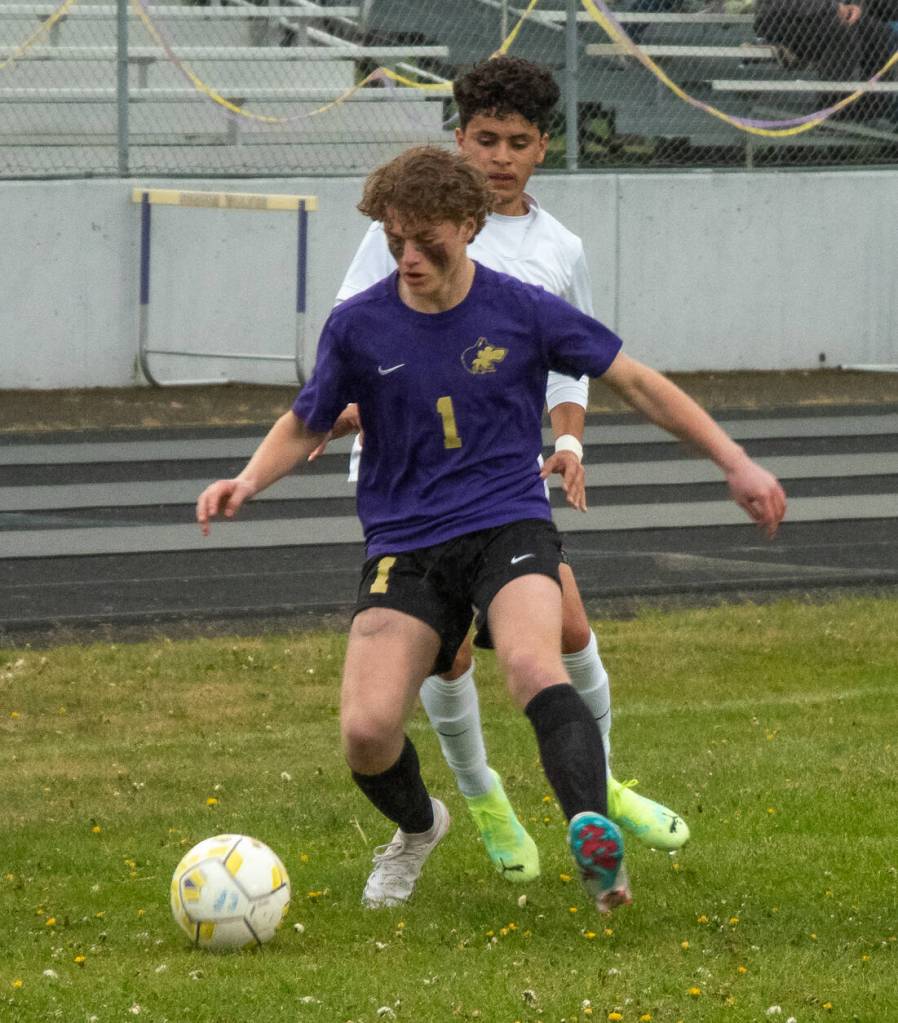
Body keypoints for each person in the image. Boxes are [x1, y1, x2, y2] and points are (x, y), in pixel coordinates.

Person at [196, 146, 787, 916]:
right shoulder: (358, 326)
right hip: (405, 542)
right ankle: (420, 826)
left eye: (427, 240)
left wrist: (736, 462)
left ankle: (591, 833)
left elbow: (637, 382)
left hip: (506, 519)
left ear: (471, 226)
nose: (409, 257)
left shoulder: (523, 308)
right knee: (367, 731)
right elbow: (304, 419)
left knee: (533, 662)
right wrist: (245, 478)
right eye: (393, 239)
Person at [312, 56, 691, 890]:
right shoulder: (414, 223)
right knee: (444, 660)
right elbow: (357, 338)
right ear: (461, 138)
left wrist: (571, 442)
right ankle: (482, 796)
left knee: (564, 628)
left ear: (542, 149)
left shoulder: (558, 249)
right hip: (408, 480)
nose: (500, 157)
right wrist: (341, 411)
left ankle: (599, 784)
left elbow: (571, 363)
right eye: (485, 138)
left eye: (518, 142)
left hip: (505, 477)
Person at [754, 0, 898, 121]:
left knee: (881, 34)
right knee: (842, 33)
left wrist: (852, 7)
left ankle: (873, 108)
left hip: (824, 16)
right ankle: (832, 107)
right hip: (782, 17)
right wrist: (834, 7)